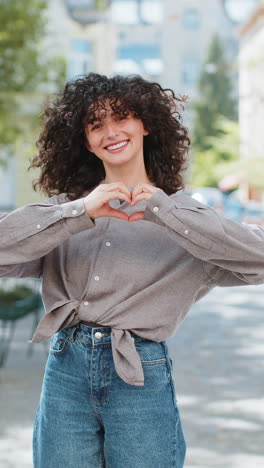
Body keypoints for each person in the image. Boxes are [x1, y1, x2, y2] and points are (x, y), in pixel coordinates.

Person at [1, 73, 264, 468]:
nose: (111, 131)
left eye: (121, 117)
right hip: (65, 372)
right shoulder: (66, 213)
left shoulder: (187, 220)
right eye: (95, 124)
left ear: (144, 124)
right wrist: (79, 212)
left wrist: (165, 211)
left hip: (140, 375)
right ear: (85, 141)